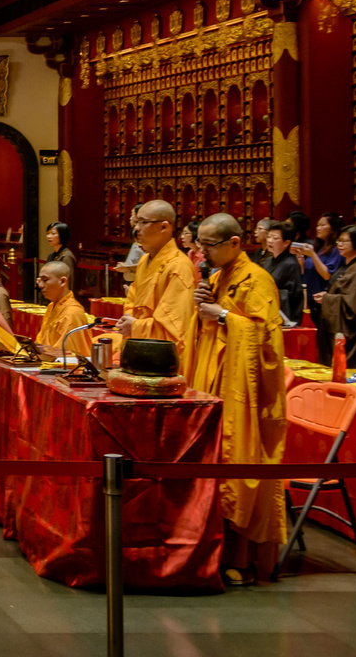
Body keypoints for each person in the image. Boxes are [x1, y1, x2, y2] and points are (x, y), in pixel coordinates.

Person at [187, 213, 286, 586]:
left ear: (234, 243)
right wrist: (205, 312)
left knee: (239, 473)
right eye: (201, 244)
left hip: (245, 398)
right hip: (218, 387)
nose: (203, 252)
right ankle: (210, 550)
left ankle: (240, 558)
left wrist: (225, 315)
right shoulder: (218, 277)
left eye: (209, 245)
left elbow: (267, 341)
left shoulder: (257, 280)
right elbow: (210, 330)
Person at [116, 200, 198, 359]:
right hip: (138, 346)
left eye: (143, 222)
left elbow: (175, 329)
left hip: (163, 358)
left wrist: (135, 326)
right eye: (136, 222)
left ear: (164, 227)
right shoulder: (144, 261)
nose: (136, 228)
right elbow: (132, 300)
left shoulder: (178, 267)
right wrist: (129, 320)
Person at [319, 224, 356, 368]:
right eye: (339, 241)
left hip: (353, 330)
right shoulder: (349, 266)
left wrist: (327, 299)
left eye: (345, 241)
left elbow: (352, 305)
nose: (339, 244)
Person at [33, 260, 93, 358]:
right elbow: (41, 341)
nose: (40, 285)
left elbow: (66, 353)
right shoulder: (51, 306)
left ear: (62, 281)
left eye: (45, 280)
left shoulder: (72, 313)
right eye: (39, 280)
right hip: (48, 360)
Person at [295, 212, 344, 327]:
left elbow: (327, 275)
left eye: (322, 225)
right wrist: (301, 262)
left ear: (333, 228)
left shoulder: (337, 250)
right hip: (313, 300)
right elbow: (308, 273)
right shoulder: (321, 248)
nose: (318, 228)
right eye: (317, 225)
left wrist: (312, 254)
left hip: (325, 299)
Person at [263, 220, 305, 328]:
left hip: (283, 318)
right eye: (269, 237)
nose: (270, 241)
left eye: (275, 238)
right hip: (266, 313)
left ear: (286, 243)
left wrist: (269, 292)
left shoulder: (291, 264)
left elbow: (294, 295)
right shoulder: (268, 261)